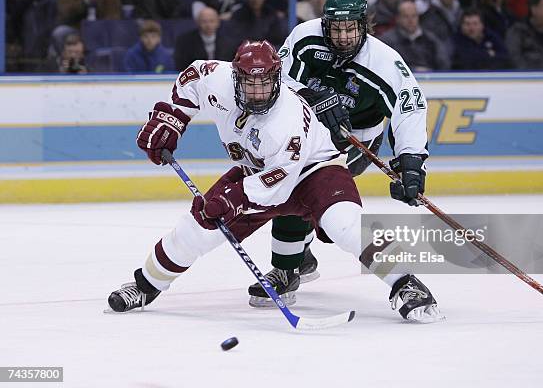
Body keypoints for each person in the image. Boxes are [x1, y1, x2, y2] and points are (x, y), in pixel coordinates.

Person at [106, 40, 442, 323]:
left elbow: (275, 186)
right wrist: (171, 117)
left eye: (265, 82)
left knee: (345, 225)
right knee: (194, 232)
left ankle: (406, 284)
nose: (257, 90)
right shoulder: (217, 77)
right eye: (250, 83)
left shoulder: (286, 119)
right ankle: (145, 285)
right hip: (256, 171)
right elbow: (191, 77)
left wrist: (231, 200)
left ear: (277, 78)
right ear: (236, 77)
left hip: (315, 170)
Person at [243, 0, 440, 322]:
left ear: (364, 25)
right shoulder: (305, 37)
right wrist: (311, 94)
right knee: (290, 187)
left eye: (351, 28)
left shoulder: (384, 61)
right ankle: (291, 264)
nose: (344, 35)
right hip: (305, 132)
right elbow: (279, 80)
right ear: (325, 24)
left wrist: (410, 163)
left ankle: (293, 264)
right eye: (337, 28)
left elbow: (410, 108)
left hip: (356, 140)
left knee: (312, 195)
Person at [380, 0, 450, 71]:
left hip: (430, 79)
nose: (410, 20)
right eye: (406, 16)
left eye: (413, 16)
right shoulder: (387, 41)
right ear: (398, 18)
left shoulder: (431, 39)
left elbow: (443, 63)